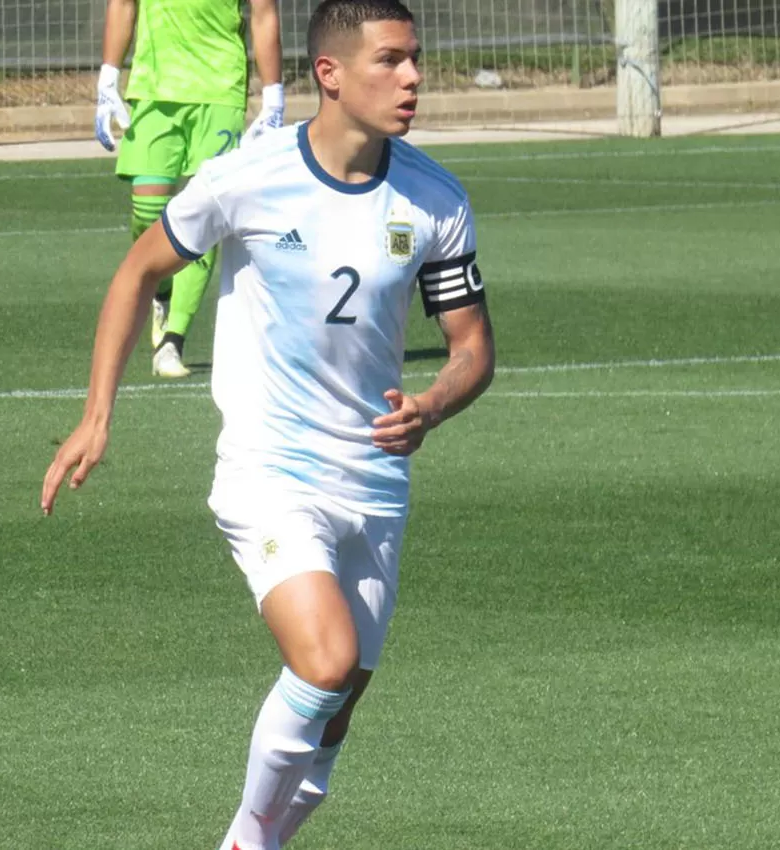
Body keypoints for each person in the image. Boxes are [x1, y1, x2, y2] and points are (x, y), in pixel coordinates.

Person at [44, 1, 494, 847]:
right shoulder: (247, 176)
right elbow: (138, 270)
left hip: (375, 481)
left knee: (335, 712)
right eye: (391, 61)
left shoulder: (435, 199)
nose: (413, 78)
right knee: (321, 663)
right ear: (330, 74)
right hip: (270, 470)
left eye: (415, 60)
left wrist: (433, 403)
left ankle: (266, 839)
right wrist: (97, 415)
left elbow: (471, 348)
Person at [94, 0, 285, 378]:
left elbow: (264, 11)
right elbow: (122, 4)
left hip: (219, 89)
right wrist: (108, 77)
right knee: (147, 212)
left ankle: (172, 340)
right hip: (154, 88)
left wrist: (274, 94)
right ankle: (159, 287)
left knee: (207, 216)